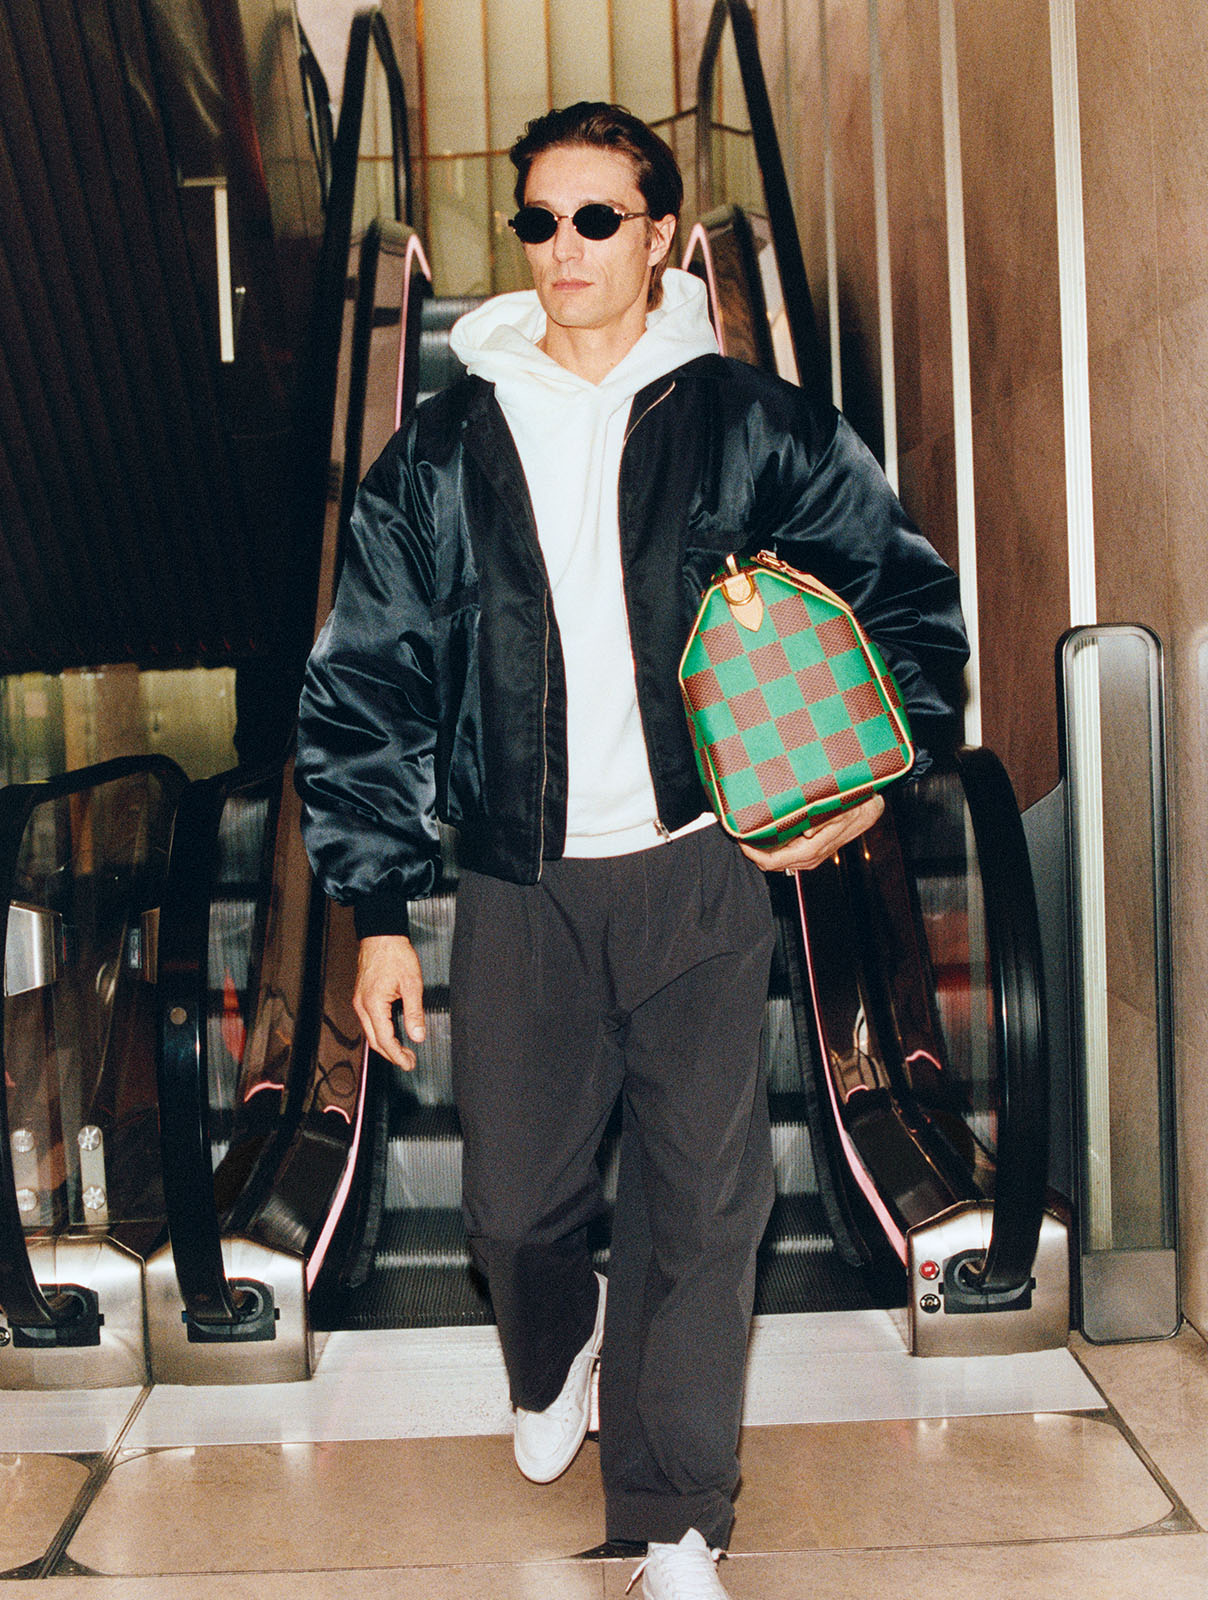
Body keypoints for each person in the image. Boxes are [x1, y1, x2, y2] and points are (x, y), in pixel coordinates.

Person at [296, 102, 967, 1600]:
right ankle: (553, 1355)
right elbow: (366, 681)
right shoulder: (446, 443)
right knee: (512, 1205)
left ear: (663, 235)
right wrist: (375, 908)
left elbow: (908, 605)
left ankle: (674, 1523)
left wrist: (875, 768)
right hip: (516, 880)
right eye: (539, 221)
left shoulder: (751, 421)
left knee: (703, 1198)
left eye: (598, 218)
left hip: (699, 867)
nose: (564, 248)